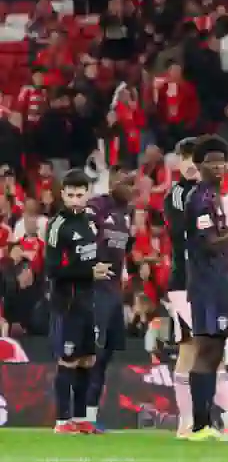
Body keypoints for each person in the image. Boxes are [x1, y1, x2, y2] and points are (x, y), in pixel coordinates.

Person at [165, 139, 228, 440]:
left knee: (215, 349)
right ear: (200, 165)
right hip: (204, 283)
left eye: (223, 161)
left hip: (219, 281)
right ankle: (199, 425)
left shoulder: (217, 197)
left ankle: (205, 425)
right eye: (211, 161)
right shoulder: (200, 198)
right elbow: (210, 244)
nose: (218, 166)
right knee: (206, 350)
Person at [48, 169, 111, 434]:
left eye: (80, 194)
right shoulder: (58, 225)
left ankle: (81, 418)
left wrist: (98, 267)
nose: (75, 200)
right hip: (68, 302)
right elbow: (52, 270)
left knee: (88, 360)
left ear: (87, 194)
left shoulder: (89, 222)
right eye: (70, 195)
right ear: (62, 195)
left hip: (88, 300)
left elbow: (86, 257)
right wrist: (89, 272)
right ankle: (62, 421)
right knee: (69, 360)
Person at [84, 169, 135, 430]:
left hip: (114, 289)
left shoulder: (127, 213)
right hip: (95, 288)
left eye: (132, 185)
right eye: (125, 183)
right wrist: (92, 266)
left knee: (105, 354)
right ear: (113, 182)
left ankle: (90, 416)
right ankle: (77, 416)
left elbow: (123, 249)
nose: (129, 188)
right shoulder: (97, 206)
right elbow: (85, 238)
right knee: (92, 352)